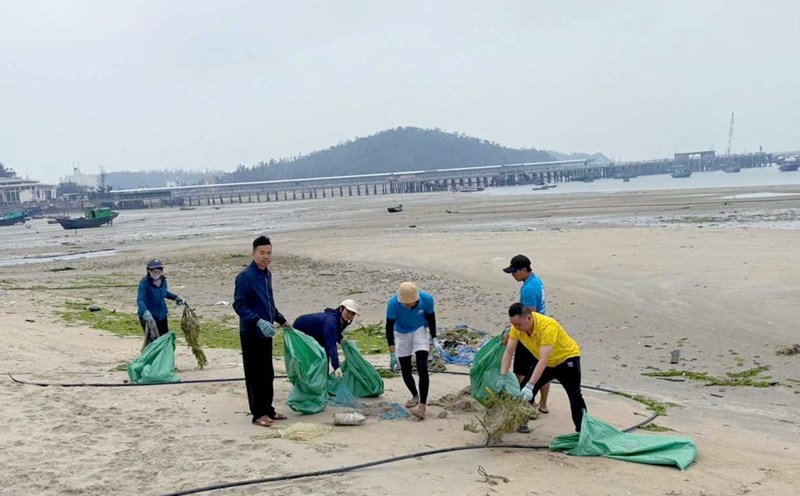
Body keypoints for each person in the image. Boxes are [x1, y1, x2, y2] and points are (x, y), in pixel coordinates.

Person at [500, 303, 586, 432]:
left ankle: (583, 429)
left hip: (566, 359)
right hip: (545, 362)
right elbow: (508, 352)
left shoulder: (547, 326)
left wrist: (531, 385)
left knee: (574, 395)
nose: (516, 328)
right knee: (523, 391)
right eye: (514, 324)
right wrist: (503, 376)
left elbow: (544, 359)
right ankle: (521, 422)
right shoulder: (516, 329)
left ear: (529, 318)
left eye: (519, 324)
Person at [233, 236, 289, 428]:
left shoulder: (267, 275)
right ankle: (258, 414)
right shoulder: (245, 277)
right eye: (262, 253)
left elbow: (269, 303)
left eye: (269, 253)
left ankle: (268, 408)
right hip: (251, 333)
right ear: (253, 254)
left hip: (267, 333)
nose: (266, 257)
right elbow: (239, 305)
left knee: (268, 372)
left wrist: (281, 320)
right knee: (255, 373)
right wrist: (257, 321)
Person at [385, 282, 443, 420]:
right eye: (404, 303)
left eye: (409, 303)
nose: (406, 305)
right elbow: (388, 328)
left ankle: (422, 406)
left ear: (416, 299)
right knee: (405, 369)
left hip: (419, 330)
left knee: (422, 367)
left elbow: (431, 318)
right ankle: (415, 395)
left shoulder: (427, 299)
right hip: (401, 333)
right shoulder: (393, 304)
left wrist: (434, 338)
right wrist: (392, 352)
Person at [502, 254, 551, 416]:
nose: (512, 275)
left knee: (521, 370)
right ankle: (543, 404)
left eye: (514, 272)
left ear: (524, 270)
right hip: (541, 331)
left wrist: (512, 333)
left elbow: (529, 316)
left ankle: (528, 402)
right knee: (542, 370)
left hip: (530, 333)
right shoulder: (536, 281)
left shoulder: (529, 289)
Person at [292, 299, 360, 376]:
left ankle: (322, 377)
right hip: (301, 330)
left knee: (324, 357)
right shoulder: (331, 321)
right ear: (341, 309)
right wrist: (336, 366)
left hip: (318, 333)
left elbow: (335, 333)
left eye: (353, 314)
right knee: (311, 360)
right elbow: (331, 345)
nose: (350, 315)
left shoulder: (342, 320)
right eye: (348, 311)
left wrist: (341, 340)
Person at [137, 259, 185, 345]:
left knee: (164, 340)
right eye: (154, 272)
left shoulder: (163, 281)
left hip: (161, 315)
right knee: (152, 342)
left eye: (159, 272)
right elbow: (140, 300)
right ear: (149, 271)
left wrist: (175, 297)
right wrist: (145, 312)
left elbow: (163, 292)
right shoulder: (144, 283)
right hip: (149, 317)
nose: (157, 274)